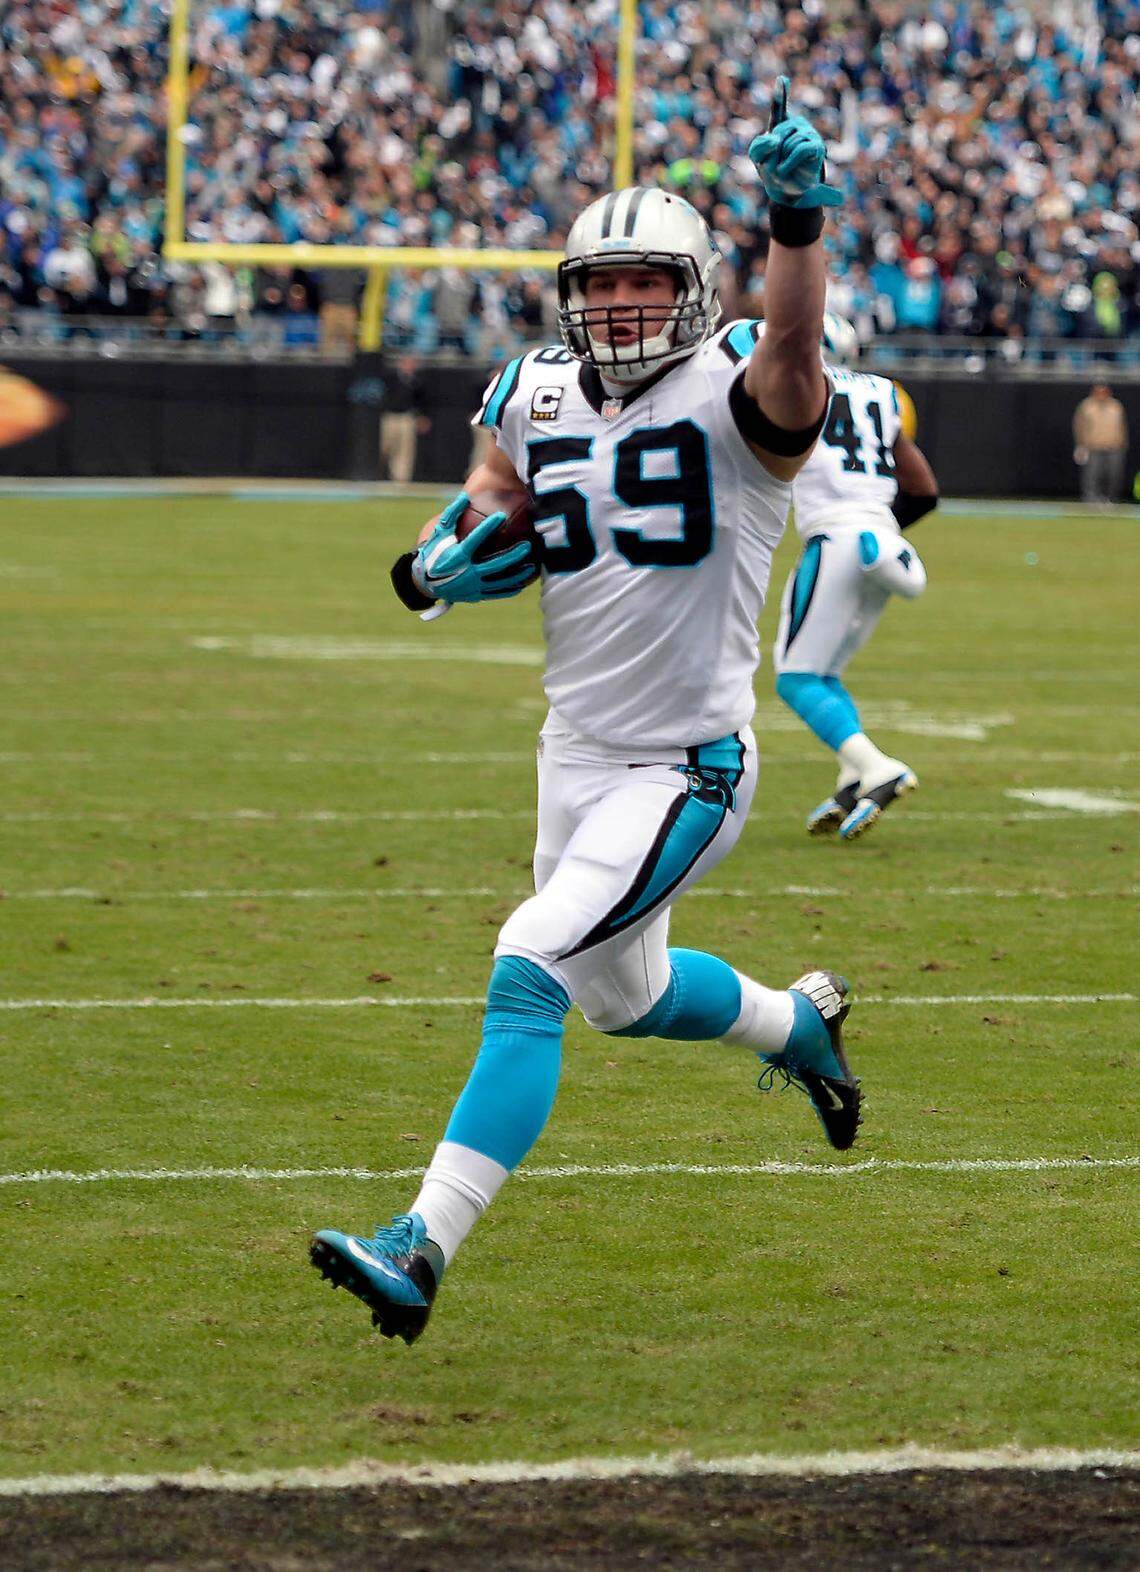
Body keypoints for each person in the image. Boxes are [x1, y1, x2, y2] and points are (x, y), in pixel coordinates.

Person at [311, 81, 862, 1347]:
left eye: (644, 283)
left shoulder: (739, 387)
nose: (618, 304)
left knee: (531, 963)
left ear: (696, 289)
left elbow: (793, 357)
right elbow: (495, 488)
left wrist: (797, 223)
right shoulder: (535, 386)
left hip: (688, 763)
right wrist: (441, 559)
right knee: (624, 994)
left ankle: (420, 1246)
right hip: (573, 750)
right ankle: (800, 1025)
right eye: (599, 283)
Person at [773, 314, 938, 841]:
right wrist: (874, 525)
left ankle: (876, 766)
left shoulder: (799, 388)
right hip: (880, 541)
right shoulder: (885, 393)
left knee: (796, 677)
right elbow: (924, 489)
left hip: (835, 539)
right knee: (825, 673)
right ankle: (852, 779)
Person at [1072, 382, 1128, 506]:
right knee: (1092, 474)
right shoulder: (1086, 406)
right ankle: (1090, 499)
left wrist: (1123, 444)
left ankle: (1110, 499)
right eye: (1099, 392)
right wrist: (1080, 445)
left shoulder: (1116, 406)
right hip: (1093, 446)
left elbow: (1122, 427)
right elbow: (1079, 426)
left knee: (1113, 474)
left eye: (1104, 392)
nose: (1101, 395)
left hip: (1113, 446)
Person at [379, 354, 429, 484]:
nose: (409, 367)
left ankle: (400, 478)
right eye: (406, 363)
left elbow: (420, 402)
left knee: (405, 448)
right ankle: (380, 472)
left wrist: (421, 417)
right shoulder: (390, 379)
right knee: (385, 446)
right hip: (390, 417)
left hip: (406, 418)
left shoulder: (417, 382)